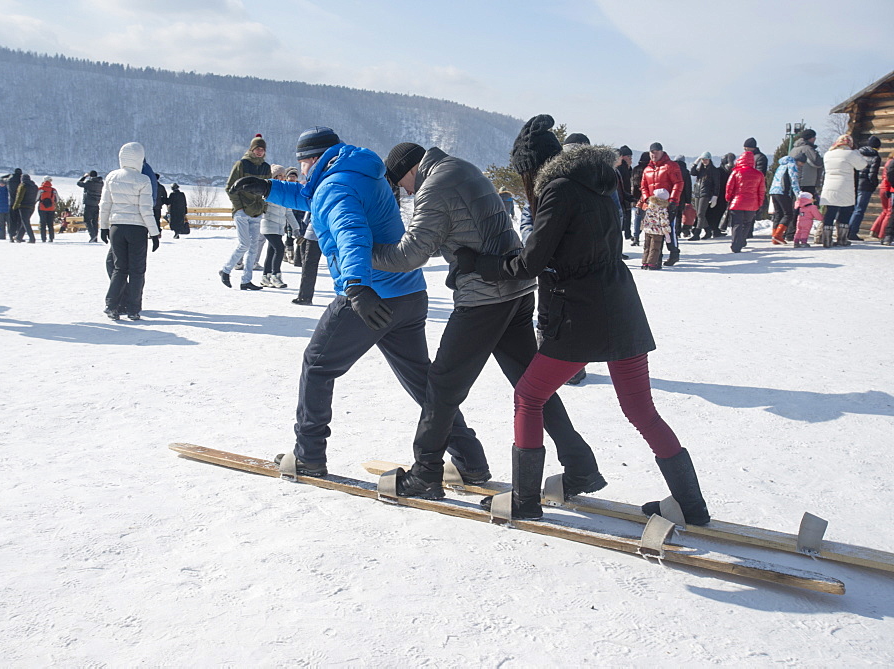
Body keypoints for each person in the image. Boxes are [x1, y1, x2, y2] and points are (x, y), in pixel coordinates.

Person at [457, 115, 709, 525]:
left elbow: (532, 262)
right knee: (641, 410)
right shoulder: (599, 184)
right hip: (622, 308)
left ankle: (524, 499)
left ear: (533, 168)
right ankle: (691, 505)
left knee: (528, 395)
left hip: (581, 317)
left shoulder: (557, 190)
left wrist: (481, 263)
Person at [230, 126, 488, 479]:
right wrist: (270, 188)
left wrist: (356, 288)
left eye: (302, 162)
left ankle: (308, 455)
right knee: (421, 381)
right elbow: (313, 197)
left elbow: (351, 233)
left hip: (371, 296)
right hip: (409, 294)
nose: (302, 168)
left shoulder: (335, 185)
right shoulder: (359, 173)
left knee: (318, 367)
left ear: (314, 160)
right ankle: (470, 460)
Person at [371, 140, 603, 499]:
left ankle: (425, 473)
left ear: (409, 170)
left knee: (442, 386)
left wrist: (363, 252)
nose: (404, 190)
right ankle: (581, 465)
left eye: (402, 184)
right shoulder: (461, 167)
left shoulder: (433, 186)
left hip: (484, 298)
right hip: (516, 291)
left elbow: (412, 253)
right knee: (532, 386)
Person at [99, 142, 161, 321]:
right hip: (137, 229)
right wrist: (154, 233)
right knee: (137, 270)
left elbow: (105, 205)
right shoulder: (143, 180)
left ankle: (112, 306)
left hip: (116, 227)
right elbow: (146, 209)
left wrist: (103, 227)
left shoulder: (111, 177)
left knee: (119, 268)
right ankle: (133, 309)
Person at [221, 134, 271, 290]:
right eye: (257, 148)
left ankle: (246, 280)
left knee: (254, 248)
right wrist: (239, 207)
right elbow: (230, 188)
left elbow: (269, 189)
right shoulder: (241, 165)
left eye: (262, 149)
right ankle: (225, 270)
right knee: (245, 244)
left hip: (256, 212)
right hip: (242, 211)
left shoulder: (266, 167)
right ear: (252, 149)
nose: (260, 151)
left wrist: (264, 208)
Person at [819, 134, 870, 247]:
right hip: (844, 187)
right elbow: (862, 165)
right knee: (845, 212)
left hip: (829, 186)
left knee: (830, 212)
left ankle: (826, 240)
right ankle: (842, 239)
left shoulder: (828, 154)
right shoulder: (850, 154)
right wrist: (857, 152)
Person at [638, 142, 683, 265]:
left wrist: (673, 200)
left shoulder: (671, 166)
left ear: (662, 152)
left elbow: (678, 183)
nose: (654, 155)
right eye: (652, 152)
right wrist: (647, 199)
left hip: (667, 204)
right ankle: (656, 257)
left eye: (656, 152)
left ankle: (674, 253)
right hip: (652, 206)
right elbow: (643, 186)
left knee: (668, 229)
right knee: (654, 231)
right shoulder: (647, 169)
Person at [259, 164, 297, 288]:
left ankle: (265, 276)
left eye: (282, 175)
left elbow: (289, 212)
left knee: (271, 251)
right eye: (277, 176)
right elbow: (261, 207)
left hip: (279, 227)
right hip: (268, 225)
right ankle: (276, 275)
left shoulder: (285, 192)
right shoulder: (268, 190)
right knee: (280, 249)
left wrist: (296, 228)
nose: (280, 178)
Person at [725, 150, 766, 253]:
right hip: (752, 203)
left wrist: (728, 198)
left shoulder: (736, 172)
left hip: (737, 202)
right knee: (747, 223)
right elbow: (761, 191)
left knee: (736, 224)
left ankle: (736, 244)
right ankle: (742, 240)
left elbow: (729, 187)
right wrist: (759, 203)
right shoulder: (759, 174)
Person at [848, 136, 883, 241]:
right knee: (860, 209)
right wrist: (874, 184)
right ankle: (852, 232)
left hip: (854, 184)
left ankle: (846, 231)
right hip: (866, 186)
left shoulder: (859, 153)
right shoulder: (875, 157)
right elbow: (872, 174)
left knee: (853, 208)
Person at [768, 154, 803, 244]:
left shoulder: (782, 165)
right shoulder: (792, 165)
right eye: (802, 163)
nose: (801, 166)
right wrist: (798, 194)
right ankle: (778, 235)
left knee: (778, 213)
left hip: (773, 191)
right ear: (799, 161)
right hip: (783, 191)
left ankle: (774, 236)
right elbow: (794, 180)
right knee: (788, 214)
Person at [690, 152, 721, 239]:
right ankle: (708, 231)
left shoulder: (714, 170)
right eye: (703, 159)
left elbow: (716, 184)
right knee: (699, 214)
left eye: (706, 159)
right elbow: (692, 172)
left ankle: (697, 233)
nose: (704, 161)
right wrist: (696, 162)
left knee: (700, 213)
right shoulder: (700, 170)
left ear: (710, 159)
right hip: (698, 193)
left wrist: (715, 196)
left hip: (706, 193)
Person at [641, 188, 672, 269]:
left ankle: (644, 263)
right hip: (657, 232)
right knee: (654, 248)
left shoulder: (650, 206)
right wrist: (667, 234)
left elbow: (645, 218)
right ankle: (652, 263)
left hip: (648, 230)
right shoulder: (662, 209)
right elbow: (664, 222)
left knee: (647, 247)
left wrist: (643, 227)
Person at [789, 129, 823, 198]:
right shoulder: (808, 149)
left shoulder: (793, 149)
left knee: (797, 204)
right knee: (806, 204)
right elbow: (817, 162)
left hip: (795, 181)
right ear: (811, 138)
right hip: (807, 181)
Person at [871, 152, 894, 241]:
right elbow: (890, 176)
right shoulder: (892, 162)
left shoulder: (889, 161)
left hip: (884, 186)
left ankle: (875, 230)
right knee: (889, 212)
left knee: (885, 211)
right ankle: (883, 234)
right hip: (888, 187)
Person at [77, 170, 104, 242]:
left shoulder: (89, 182)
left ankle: (92, 235)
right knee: (95, 221)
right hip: (97, 204)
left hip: (89, 204)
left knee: (87, 220)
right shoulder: (101, 183)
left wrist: (84, 177)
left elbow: (79, 183)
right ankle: (95, 237)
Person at [711, 153, 736, 234]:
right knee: (718, 211)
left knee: (722, 211)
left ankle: (717, 228)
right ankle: (715, 229)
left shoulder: (730, 171)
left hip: (725, 193)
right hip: (719, 194)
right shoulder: (719, 171)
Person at [629, 152, 650, 245]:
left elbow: (633, 183)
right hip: (648, 196)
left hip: (637, 197)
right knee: (648, 217)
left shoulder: (635, 169)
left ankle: (636, 236)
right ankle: (647, 237)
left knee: (638, 217)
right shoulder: (649, 169)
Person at [12, 173, 38, 243]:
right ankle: (19, 237)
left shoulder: (23, 185)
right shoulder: (35, 186)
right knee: (25, 222)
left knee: (26, 222)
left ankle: (32, 238)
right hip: (32, 206)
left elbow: (19, 197)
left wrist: (15, 206)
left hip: (23, 206)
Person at [672, 155, 693, 239]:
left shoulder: (672, 169)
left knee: (671, 214)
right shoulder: (685, 171)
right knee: (679, 214)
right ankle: (677, 232)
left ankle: (671, 231)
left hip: (672, 194)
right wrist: (688, 199)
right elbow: (688, 186)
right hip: (682, 195)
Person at [615, 146, 634, 240]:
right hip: (620, 198)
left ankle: (627, 233)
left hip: (624, 196)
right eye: (628, 156)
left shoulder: (625, 167)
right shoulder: (619, 169)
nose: (630, 158)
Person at [37, 176, 59, 242]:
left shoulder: (40, 189)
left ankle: (43, 238)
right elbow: (57, 200)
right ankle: (51, 238)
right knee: (50, 224)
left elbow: (36, 198)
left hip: (42, 208)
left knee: (42, 223)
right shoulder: (54, 190)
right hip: (51, 208)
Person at [7, 168, 23, 242]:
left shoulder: (10, 180)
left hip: (11, 202)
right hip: (20, 203)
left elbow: (2, 178)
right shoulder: (21, 181)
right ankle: (18, 236)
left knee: (12, 220)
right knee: (19, 220)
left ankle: (11, 235)